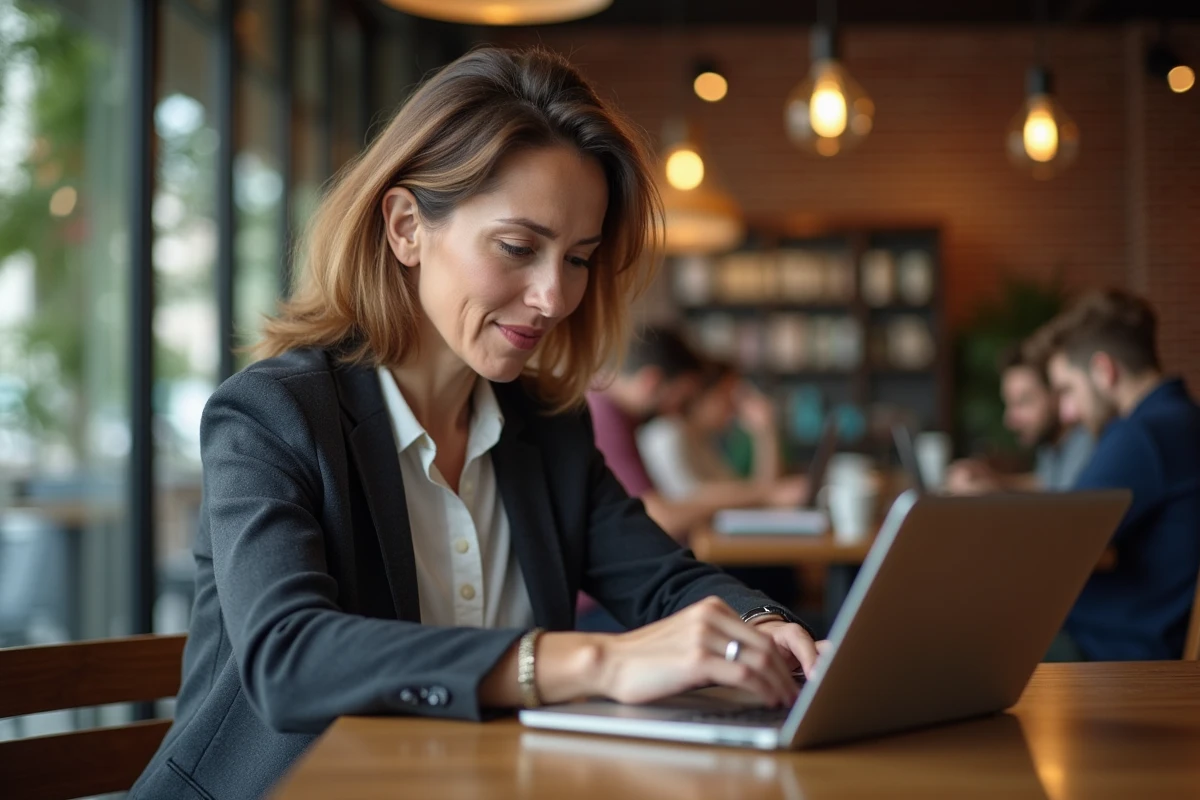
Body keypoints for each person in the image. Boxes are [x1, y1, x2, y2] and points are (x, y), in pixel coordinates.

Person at [130, 48, 821, 800]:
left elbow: (662, 579)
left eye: (580, 258)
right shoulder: (271, 416)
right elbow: (289, 659)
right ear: (405, 228)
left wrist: (761, 623)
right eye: (519, 248)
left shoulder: (549, 431)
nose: (555, 296)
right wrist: (593, 662)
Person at [1042, 288, 1200, 661]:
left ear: (1103, 370)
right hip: (1144, 639)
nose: (1067, 414)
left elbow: (1054, 546)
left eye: (1068, 390)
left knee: (955, 648)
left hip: (1113, 653)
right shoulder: (1185, 420)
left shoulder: (1141, 435)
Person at [588, 330, 806, 541]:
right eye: (681, 397)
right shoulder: (607, 416)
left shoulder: (618, 416)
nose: (676, 410)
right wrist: (766, 494)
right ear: (651, 382)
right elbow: (659, 514)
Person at [946, 341, 1094, 493]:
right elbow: (1046, 484)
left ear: (1057, 395)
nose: (1009, 420)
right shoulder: (1053, 444)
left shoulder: (1087, 442)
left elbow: (1066, 505)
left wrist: (994, 490)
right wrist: (994, 481)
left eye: (1023, 402)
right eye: (1009, 404)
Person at [637, 360, 793, 504]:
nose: (735, 406)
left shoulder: (701, 440)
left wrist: (765, 434)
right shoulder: (667, 433)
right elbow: (693, 502)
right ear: (704, 394)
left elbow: (752, 493)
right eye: (728, 395)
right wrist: (765, 432)